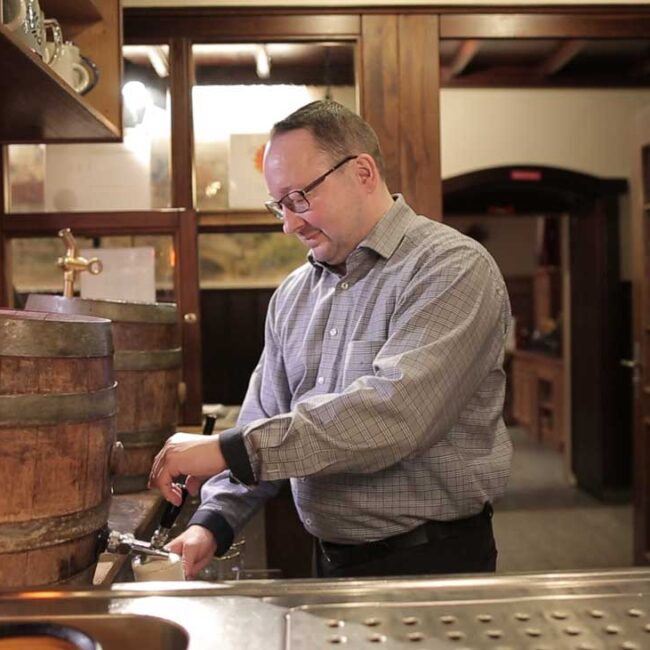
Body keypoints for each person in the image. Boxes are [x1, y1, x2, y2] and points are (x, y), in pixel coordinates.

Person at [148, 99, 513, 580]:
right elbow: (265, 418)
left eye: (299, 198)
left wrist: (231, 449)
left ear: (362, 172)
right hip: (328, 561)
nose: (288, 223)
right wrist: (211, 524)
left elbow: (393, 416)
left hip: (434, 562)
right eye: (279, 205)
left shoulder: (450, 268)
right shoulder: (293, 295)